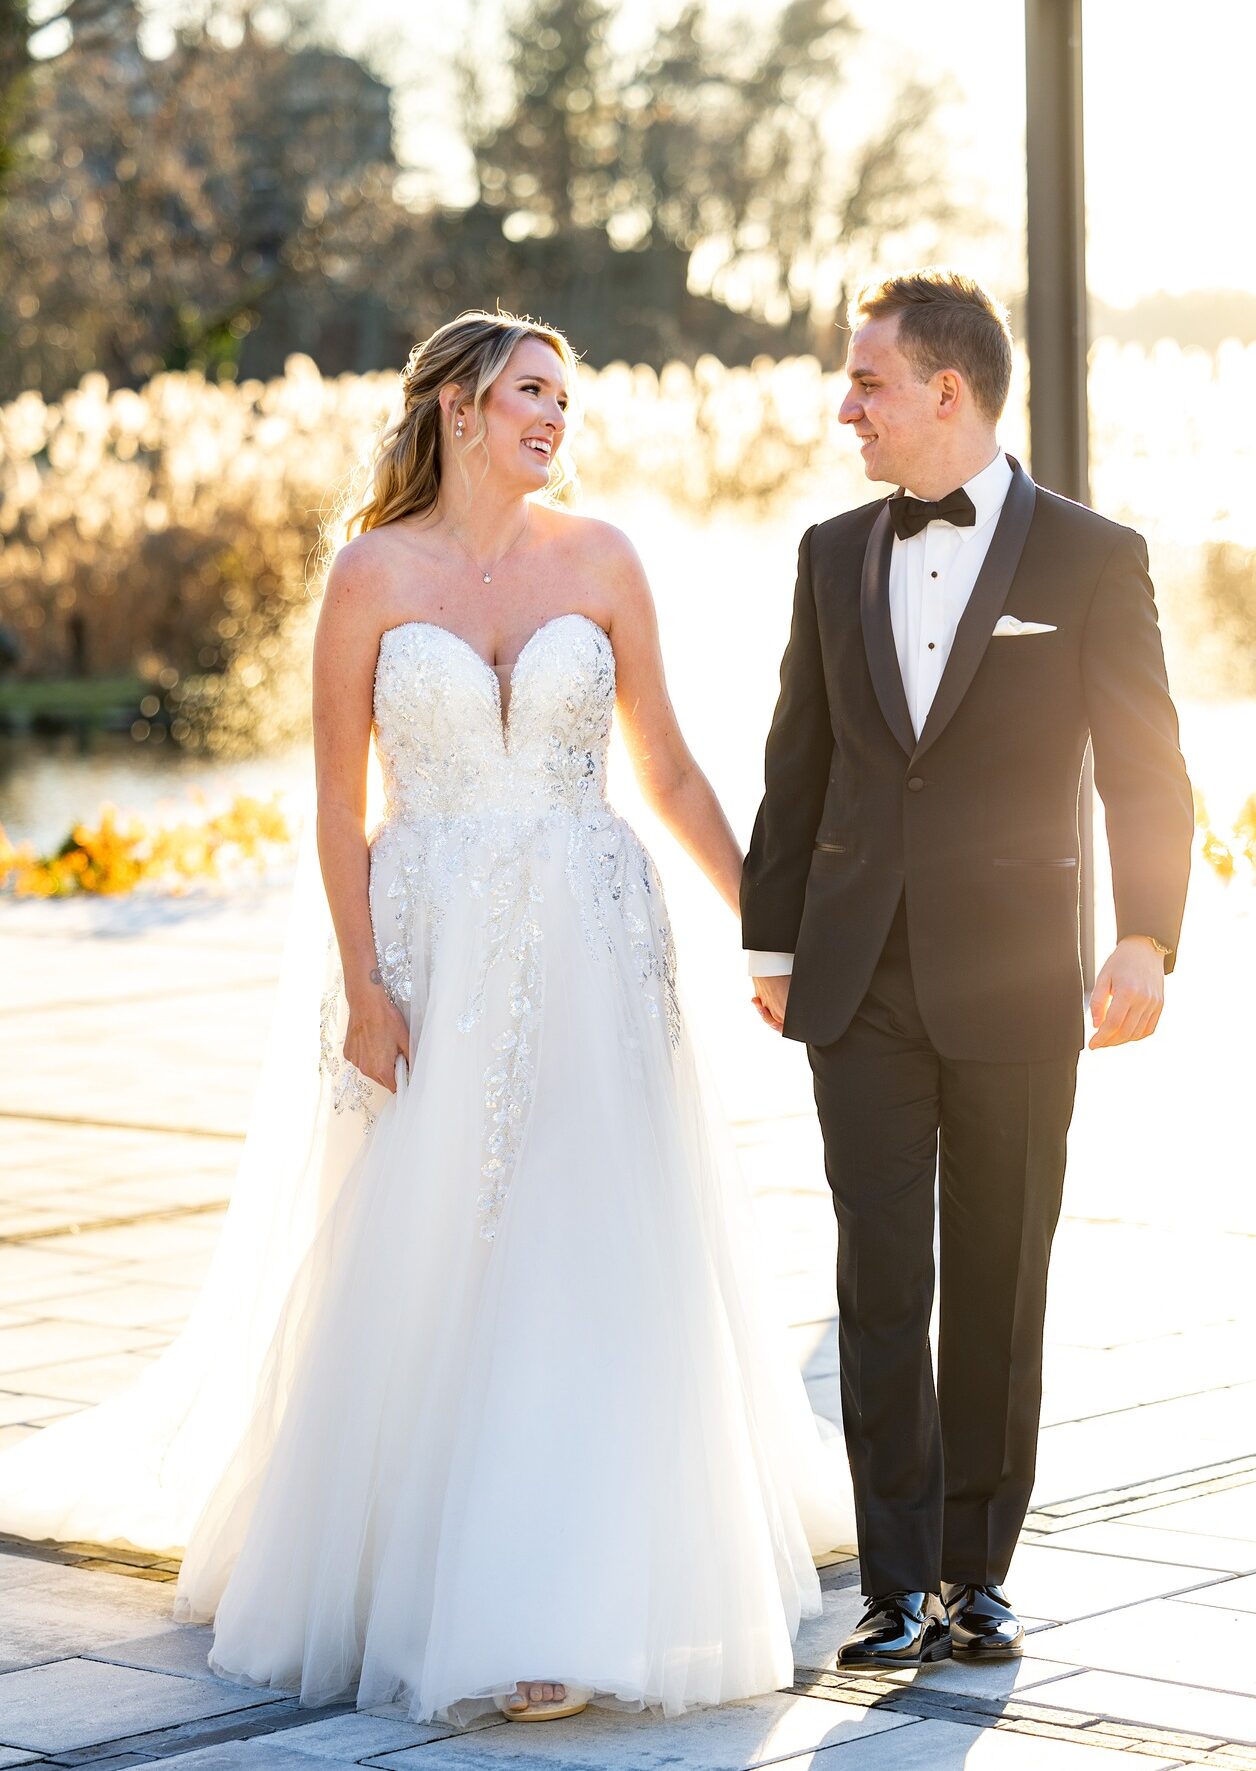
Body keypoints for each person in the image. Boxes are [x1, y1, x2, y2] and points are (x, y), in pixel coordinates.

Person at [0, 309, 853, 1725]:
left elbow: (676, 777)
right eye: (529, 393)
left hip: (594, 941)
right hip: (434, 950)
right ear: (456, 404)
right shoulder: (370, 574)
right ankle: (439, 1564)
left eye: (562, 401)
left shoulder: (604, 559)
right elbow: (337, 810)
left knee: (587, 1242)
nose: (551, 419)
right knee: (448, 1245)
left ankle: (574, 1580)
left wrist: (774, 928)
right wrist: (365, 987)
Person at [742, 268, 1195, 1672]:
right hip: (856, 973)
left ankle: (972, 1576)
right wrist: (770, 940)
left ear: (948, 390)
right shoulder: (827, 553)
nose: (843, 408)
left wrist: (1145, 931)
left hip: (1016, 979)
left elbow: (1145, 762)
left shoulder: (1090, 556)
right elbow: (796, 758)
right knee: (879, 1276)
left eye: (865, 382)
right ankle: (889, 1583)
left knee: (999, 1275)